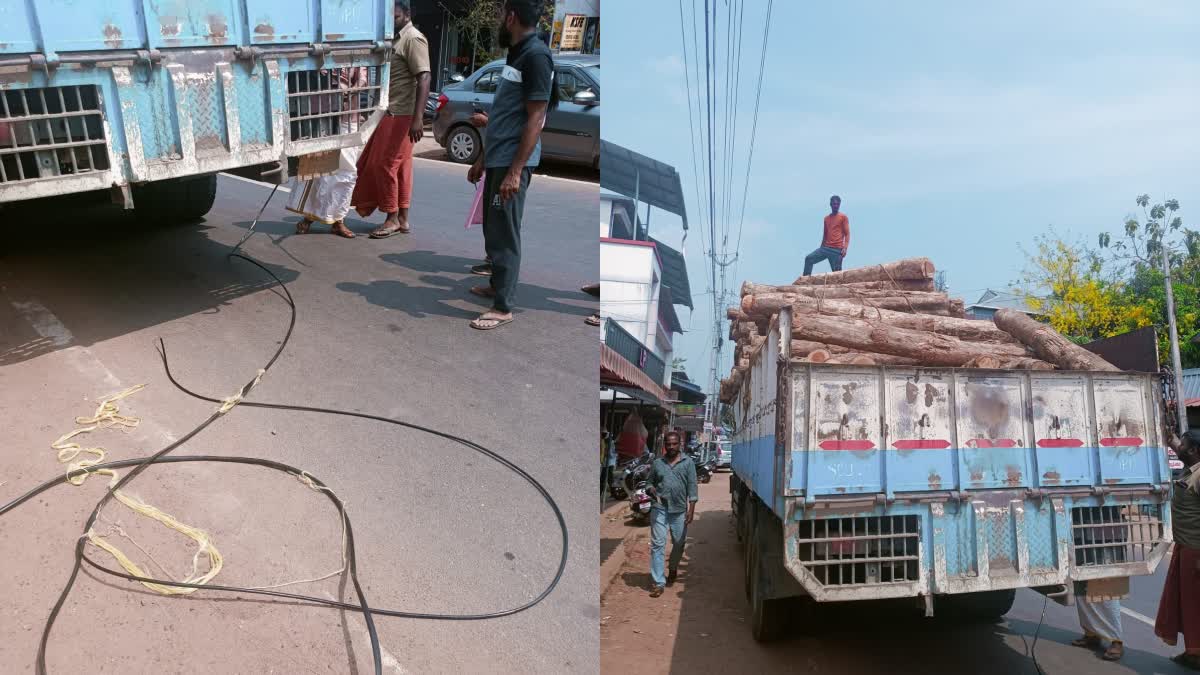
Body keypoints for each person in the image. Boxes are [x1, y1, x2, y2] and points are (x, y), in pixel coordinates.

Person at [465, 0, 558, 330]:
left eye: (499, 14)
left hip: (513, 162)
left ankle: (503, 306)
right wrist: (483, 159)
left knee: (505, 231)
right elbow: (505, 114)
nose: (498, 20)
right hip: (499, 158)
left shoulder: (536, 55)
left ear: (512, 17)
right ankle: (496, 286)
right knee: (493, 225)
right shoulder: (517, 53)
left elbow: (536, 117)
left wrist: (516, 170)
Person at [351, 1, 430, 239]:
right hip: (390, 110)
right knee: (402, 167)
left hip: (401, 114)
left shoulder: (413, 39)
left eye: (395, 17)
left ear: (407, 14)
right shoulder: (394, 39)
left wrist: (418, 119)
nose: (392, 22)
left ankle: (392, 217)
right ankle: (403, 218)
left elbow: (424, 78)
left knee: (383, 164)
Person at [287, 67, 368, 238]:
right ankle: (309, 216)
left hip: (347, 114)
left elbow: (362, 78)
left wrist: (351, 91)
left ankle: (338, 220)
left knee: (346, 169)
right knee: (316, 167)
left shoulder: (357, 50)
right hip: (321, 113)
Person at [1157, 429, 1200, 670]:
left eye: (1182, 446)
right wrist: (1168, 433)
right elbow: (1176, 445)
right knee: (1188, 605)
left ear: (1193, 450)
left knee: (1196, 606)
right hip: (1185, 549)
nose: (1178, 448)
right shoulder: (1191, 470)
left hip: (1197, 552)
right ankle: (1193, 653)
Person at [646, 431, 698, 598]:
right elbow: (649, 482)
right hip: (659, 508)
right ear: (664, 445)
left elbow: (692, 487)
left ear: (680, 444)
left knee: (679, 542)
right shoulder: (657, 463)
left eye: (674, 444)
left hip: (679, 510)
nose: (671, 447)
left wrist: (691, 510)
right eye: (668, 444)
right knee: (657, 545)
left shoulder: (687, 463)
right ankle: (658, 582)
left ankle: (673, 567)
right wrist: (650, 489)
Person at [802, 195, 850, 276]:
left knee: (837, 275)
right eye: (834, 204)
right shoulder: (826, 219)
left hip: (837, 250)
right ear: (830, 204)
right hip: (825, 248)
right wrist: (821, 248)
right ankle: (805, 281)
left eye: (837, 204)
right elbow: (825, 234)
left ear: (839, 205)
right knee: (809, 259)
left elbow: (847, 234)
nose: (835, 206)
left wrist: (845, 248)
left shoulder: (843, 217)